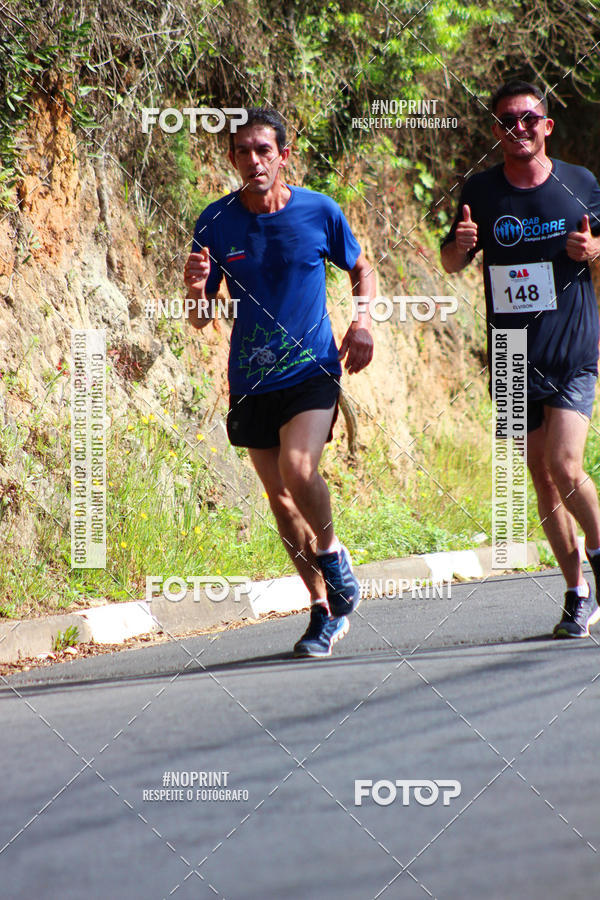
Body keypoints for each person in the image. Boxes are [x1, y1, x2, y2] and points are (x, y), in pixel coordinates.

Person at [183, 107, 375, 657]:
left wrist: (362, 322)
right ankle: (321, 609)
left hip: (311, 368)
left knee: (298, 470)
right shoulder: (216, 222)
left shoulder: (319, 211)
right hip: (250, 378)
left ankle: (333, 551)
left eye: (263, 150)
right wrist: (195, 290)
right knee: (279, 500)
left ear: (283, 156)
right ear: (231, 159)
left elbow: (360, 267)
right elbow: (201, 319)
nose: (253, 160)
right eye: (242, 151)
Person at [441, 79, 600, 638]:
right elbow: (451, 262)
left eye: (529, 118)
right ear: (496, 130)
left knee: (565, 463)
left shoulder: (579, 184)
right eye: (508, 120)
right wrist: (460, 246)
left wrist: (594, 250)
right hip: (511, 355)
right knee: (542, 478)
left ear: (547, 125)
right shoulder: (480, 191)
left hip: (573, 346)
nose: (520, 127)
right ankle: (577, 593)